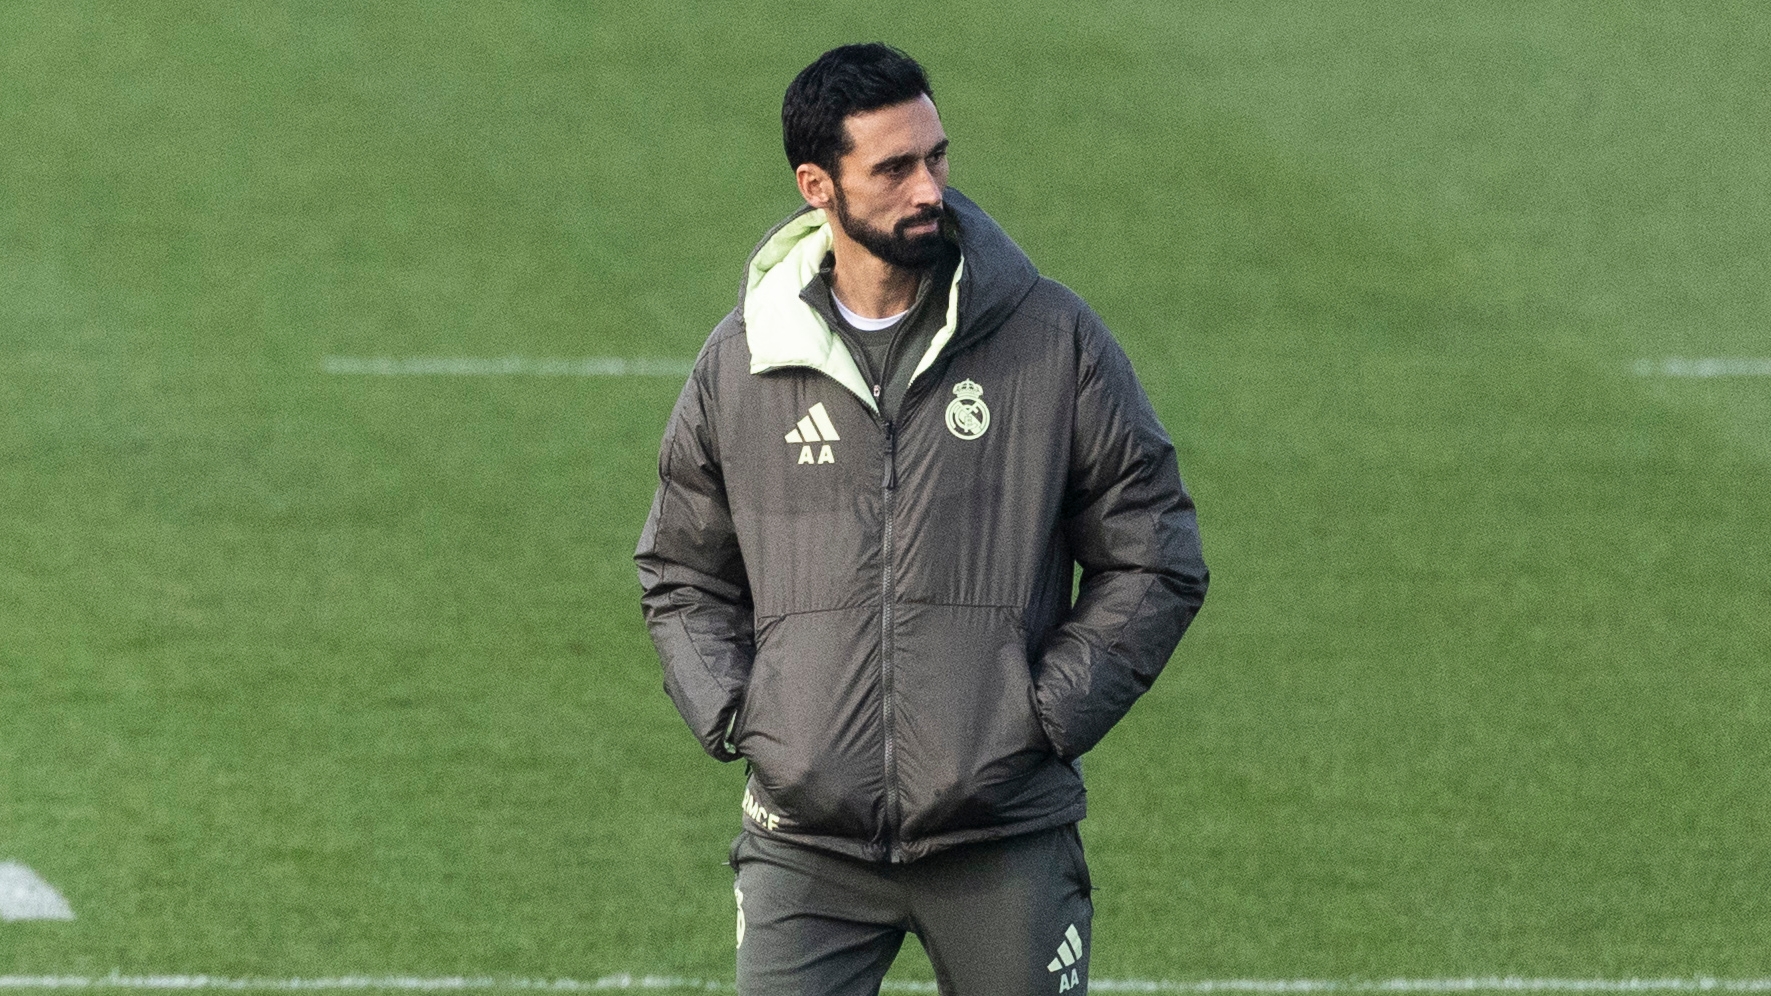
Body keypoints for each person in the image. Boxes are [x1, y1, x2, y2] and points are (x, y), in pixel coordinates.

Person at [636, 42, 1208, 996]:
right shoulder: (744, 363)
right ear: (818, 185)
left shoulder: (1049, 339)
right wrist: (749, 714)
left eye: (935, 157)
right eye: (893, 168)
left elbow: (1154, 554)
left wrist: (1037, 714)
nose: (928, 187)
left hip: (1001, 837)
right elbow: (680, 572)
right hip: (805, 847)